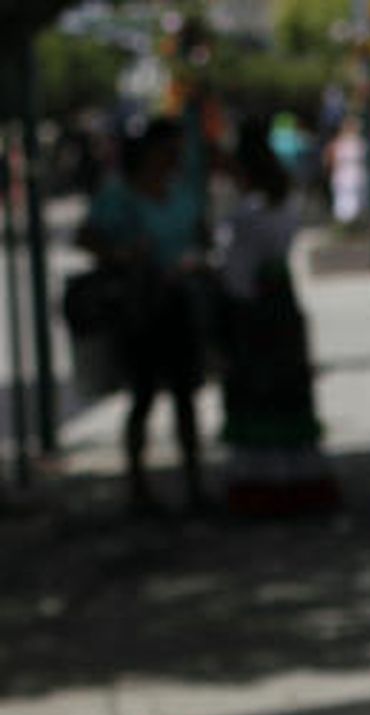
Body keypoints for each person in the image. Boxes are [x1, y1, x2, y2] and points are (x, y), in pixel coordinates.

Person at [78, 114, 210, 514]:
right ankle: (138, 486)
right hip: (141, 306)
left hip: (179, 301)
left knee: (186, 395)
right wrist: (123, 254)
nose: (176, 156)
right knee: (143, 395)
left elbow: (200, 234)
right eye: (170, 148)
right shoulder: (120, 195)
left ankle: (194, 482)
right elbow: (88, 236)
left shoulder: (182, 190)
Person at [214, 120, 339, 517]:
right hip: (283, 307)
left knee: (259, 397)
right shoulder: (285, 204)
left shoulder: (245, 215)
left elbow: (237, 278)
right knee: (288, 396)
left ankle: (266, 489)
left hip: (256, 314)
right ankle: (297, 481)